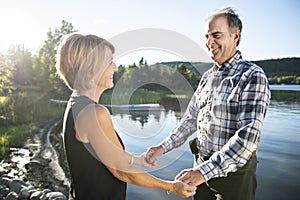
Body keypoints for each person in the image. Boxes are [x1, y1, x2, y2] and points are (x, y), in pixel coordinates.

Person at [146, 7, 271, 200]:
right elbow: (190, 120)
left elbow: (248, 138)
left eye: (216, 35)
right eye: (206, 36)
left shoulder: (252, 76)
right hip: (201, 172)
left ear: (235, 35)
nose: (209, 42)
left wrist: (204, 172)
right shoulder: (207, 77)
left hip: (234, 178)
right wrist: (162, 148)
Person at [55, 33, 196, 200]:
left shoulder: (76, 103)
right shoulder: (95, 113)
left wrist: (138, 160)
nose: (115, 67)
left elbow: (108, 154)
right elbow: (121, 171)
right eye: (109, 62)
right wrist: (170, 187)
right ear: (91, 70)